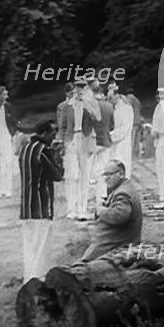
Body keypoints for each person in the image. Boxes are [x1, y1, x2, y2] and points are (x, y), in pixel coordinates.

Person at [19, 119, 64, 282]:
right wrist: (58, 155)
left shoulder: (25, 149)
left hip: (26, 207)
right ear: (44, 134)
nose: (54, 137)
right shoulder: (43, 150)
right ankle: (37, 281)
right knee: (41, 249)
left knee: (29, 248)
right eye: (52, 134)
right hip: (41, 206)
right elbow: (57, 175)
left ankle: (28, 280)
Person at [81, 160, 142, 261]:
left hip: (116, 245)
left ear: (121, 174)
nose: (106, 178)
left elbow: (119, 216)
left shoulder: (123, 193)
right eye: (105, 175)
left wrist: (100, 210)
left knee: (80, 269)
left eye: (109, 174)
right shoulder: (123, 188)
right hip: (113, 241)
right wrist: (105, 204)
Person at [58, 77, 101, 220]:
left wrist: (88, 106)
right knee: (71, 176)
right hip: (72, 139)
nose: (80, 89)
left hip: (86, 139)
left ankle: (82, 209)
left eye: (83, 87)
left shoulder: (91, 103)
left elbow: (98, 120)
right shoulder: (67, 105)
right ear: (75, 88)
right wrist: (63, 142)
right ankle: (71, 209)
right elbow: (63, 126)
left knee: (84, 176)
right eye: (78, 87)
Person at [91, 85, 115, 206]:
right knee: (104, 170)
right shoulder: (109, 106)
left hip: (92, 142)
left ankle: (93, 197)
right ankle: (103, 194)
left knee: (91, 170)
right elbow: (112, 126)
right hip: (105, 141)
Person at [109, 93, 134, 177]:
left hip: (121, 141)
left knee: (121, 162)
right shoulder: (123, 109)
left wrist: (111, 136)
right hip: (120, 140)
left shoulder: (124, 109)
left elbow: (124, 128)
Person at [125, 87, 143, 159]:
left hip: (132, 121)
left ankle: (131, 156)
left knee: (131, 139)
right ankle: (138, 155)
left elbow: (127, 109)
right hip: (138, 121)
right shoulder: (137, 100)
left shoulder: (129, 98)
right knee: (137, 139)